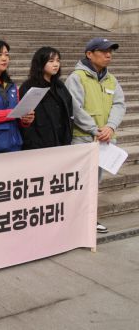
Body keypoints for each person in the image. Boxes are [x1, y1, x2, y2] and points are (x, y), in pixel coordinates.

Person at [66, 37, 126, 234]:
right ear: (89, 54)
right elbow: (75, 107)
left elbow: (119, 104)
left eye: (110, 51)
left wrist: (110, 127)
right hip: (83, 138)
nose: (108, 55)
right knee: (79, 182)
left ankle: (89, 219)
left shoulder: (111, 79)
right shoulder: (77, 77)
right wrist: (94, 129)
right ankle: (72, 221)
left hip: (104, 140)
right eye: (103, 51)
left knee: (94, 183)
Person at [20, 47, 73, 150]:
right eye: (51, 61)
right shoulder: (29, 86)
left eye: (58, 60)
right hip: (39, 145)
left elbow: (69, 110)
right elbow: (25, 118)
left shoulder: (59, 85)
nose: (56, 64)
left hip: (62, 141)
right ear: (40, 63)